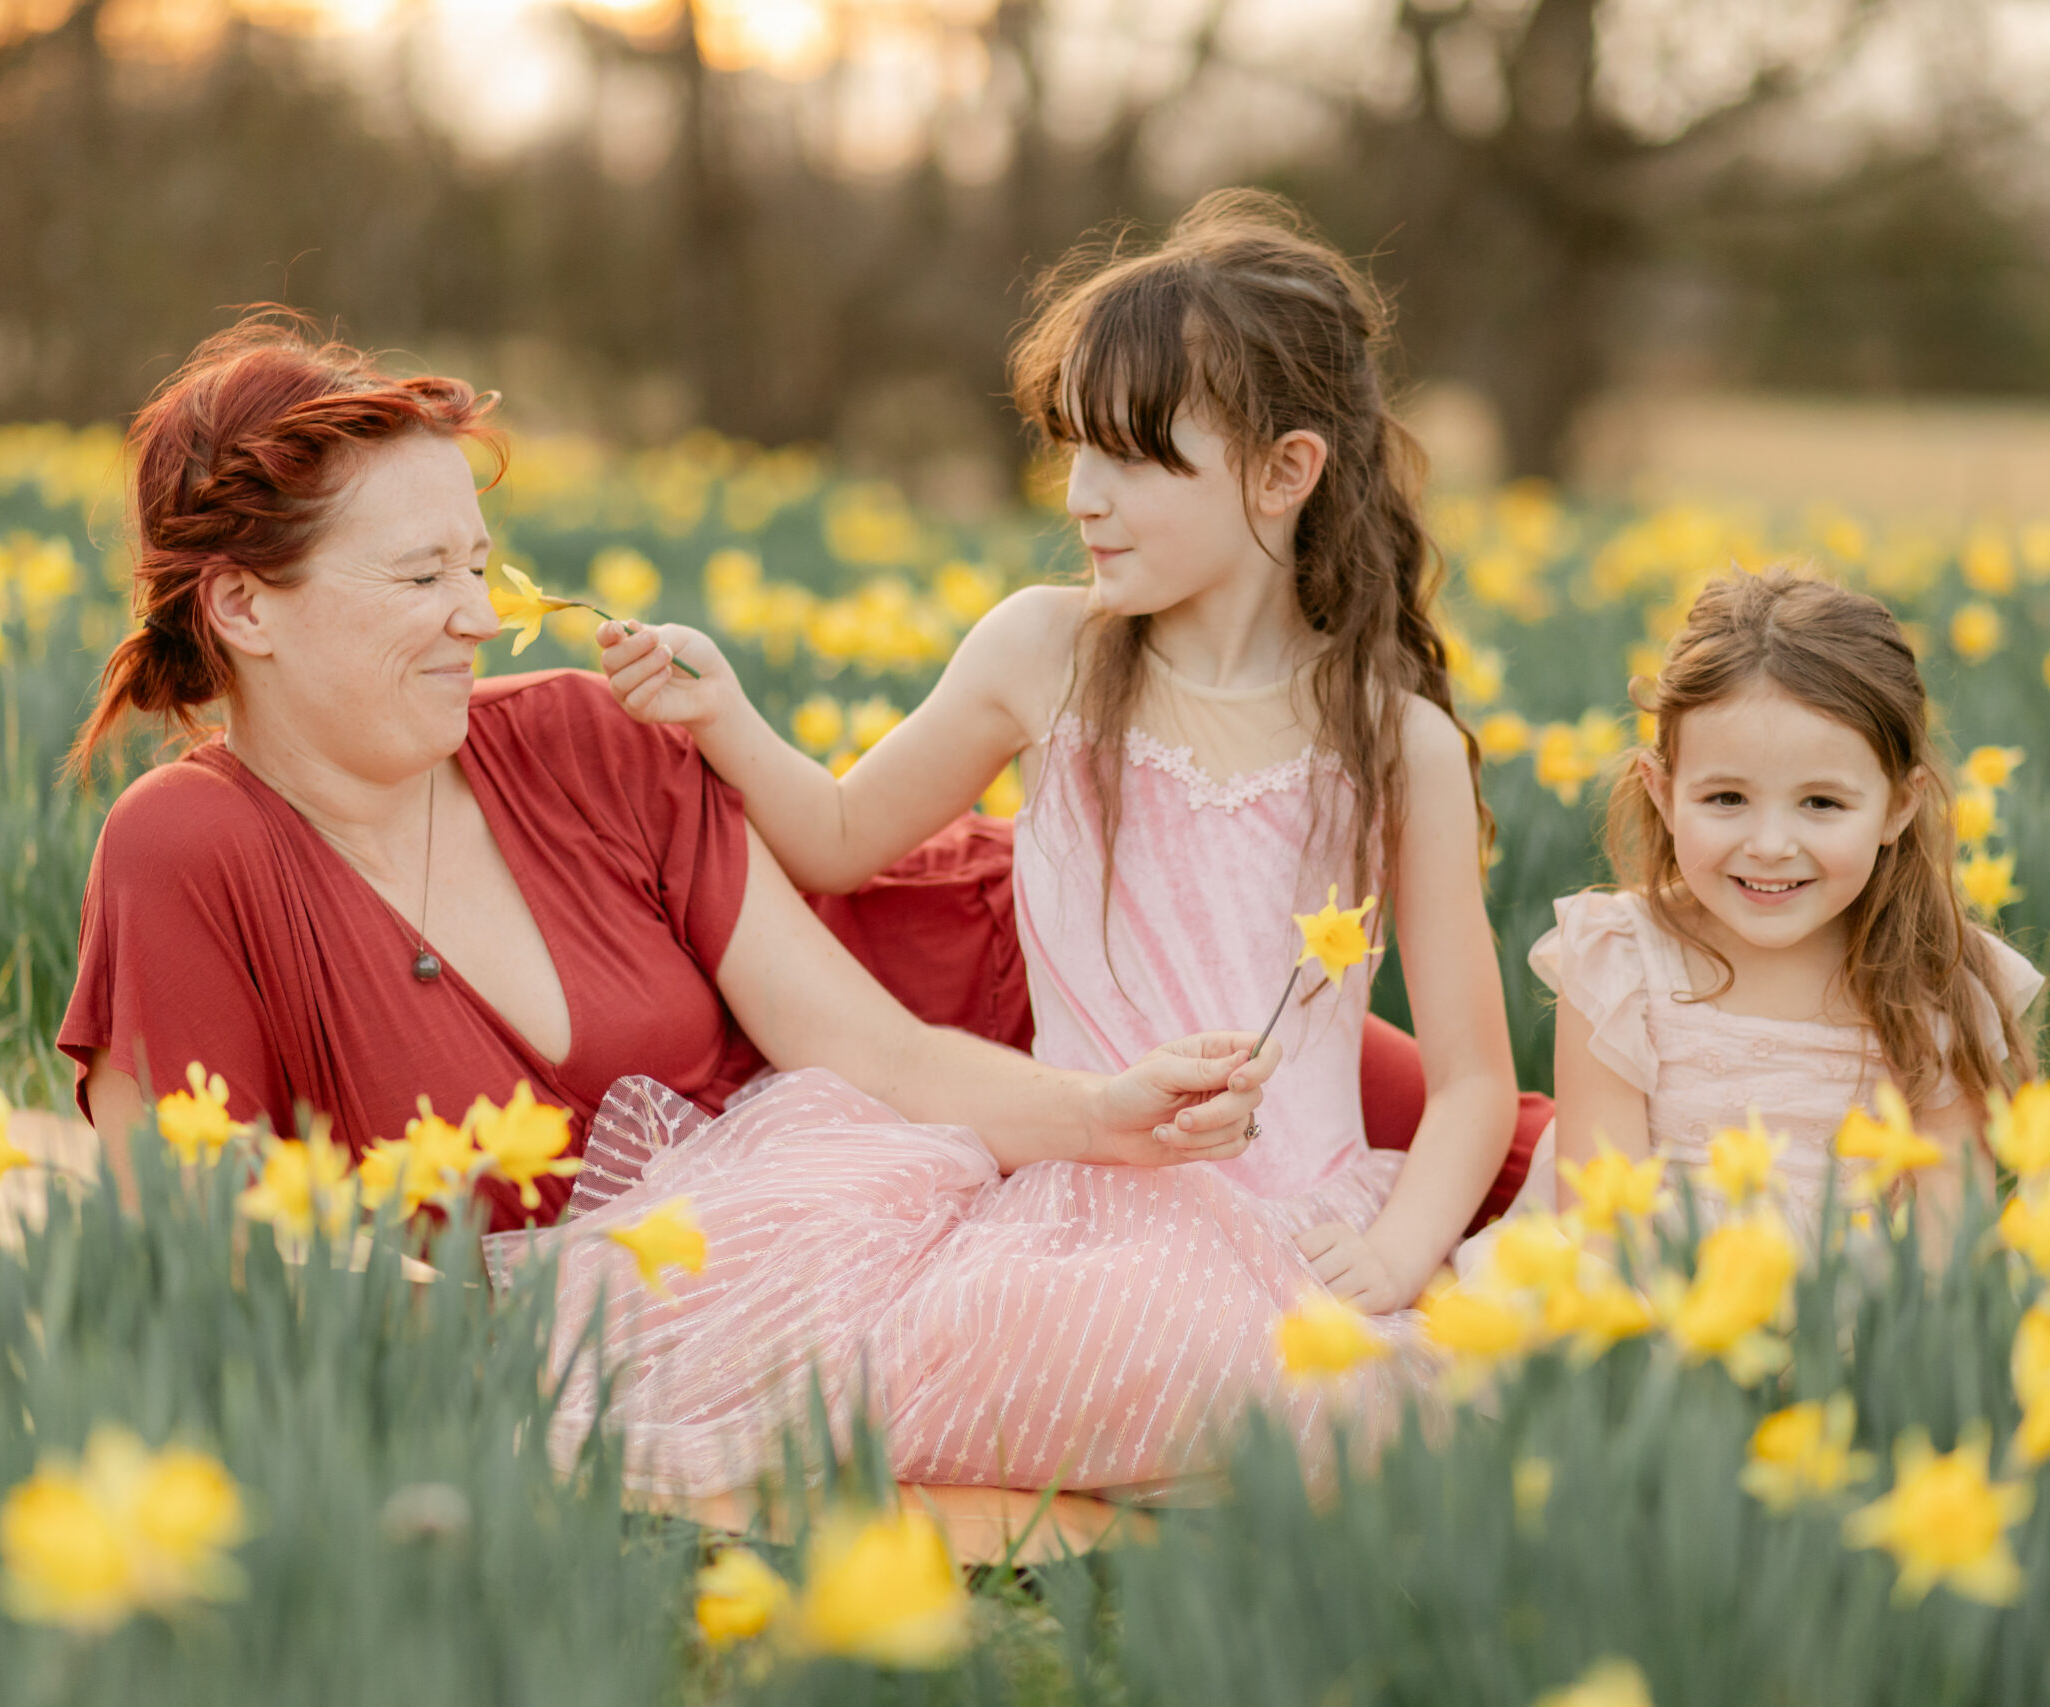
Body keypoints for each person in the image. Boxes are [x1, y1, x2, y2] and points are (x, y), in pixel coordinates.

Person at [531, 191, 1517, 1493]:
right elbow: (836, 837)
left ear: (1287, 471)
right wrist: (724, 711)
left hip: (1297, 1218)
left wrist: (1395, 1256)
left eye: (1139, 457)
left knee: (1353, 1402)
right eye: (1075, 451)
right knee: (1004, 1353)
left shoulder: (1398, 744)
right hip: (1079, 1193)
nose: (1085, 497)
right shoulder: (1040, 652)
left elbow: (1472, 1083)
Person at [56, 315, 1282, 1243]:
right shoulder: (190, 852)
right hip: (846, 1225)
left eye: (481, 567)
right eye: (422, 578)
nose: (479, 618)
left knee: (1462, 1162)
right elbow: (195, 1253)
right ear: (241, 607)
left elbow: (885, 1058)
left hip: (1035, 972)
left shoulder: (587, 737)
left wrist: (1099, 1114)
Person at [1534, 568, 2044, 1246]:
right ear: (1663, 793)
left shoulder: (1934, 985)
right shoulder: (1618, 962)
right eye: (1726, 799)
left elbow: (1949, 1255)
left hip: (1862, 1332)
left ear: (1899, 805)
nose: (1770, 845)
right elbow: (1604, 1237)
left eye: (1822, 803)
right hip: (1660, 1319)